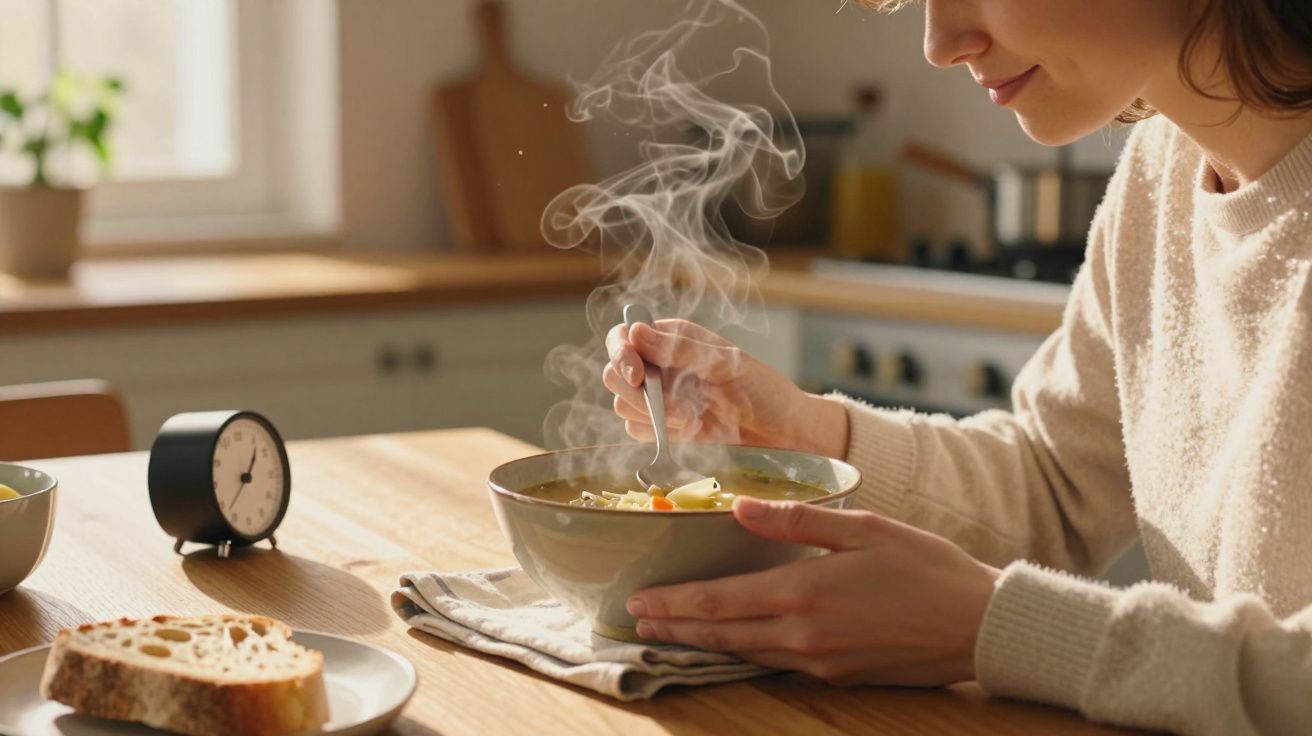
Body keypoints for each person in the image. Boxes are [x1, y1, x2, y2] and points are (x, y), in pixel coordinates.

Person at [601, 1, 1312, 733]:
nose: (940, 44)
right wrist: (804, 433)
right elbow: (1054, 485)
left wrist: (1005, 630)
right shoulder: (1166, 168)